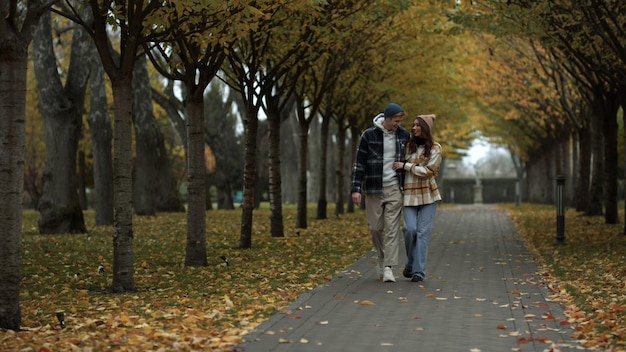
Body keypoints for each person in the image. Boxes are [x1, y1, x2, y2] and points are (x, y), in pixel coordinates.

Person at [351, 103, 411, 282]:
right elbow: (359, 163)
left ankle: (388, 268)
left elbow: (409, 159)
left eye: (400, 121)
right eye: (396, 121)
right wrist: (356, 189)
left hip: (395, 188)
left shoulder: (404, 135)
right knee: (375, 228)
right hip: (374, 188)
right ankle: (382, 255)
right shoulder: (368, 135)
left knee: (392, 229)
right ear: (387, 119)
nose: (398, 124)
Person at [392, 114, 442, 282]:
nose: (414, 128)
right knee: (409, 229)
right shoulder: (408, 146)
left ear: (425, 128)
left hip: (429, 195)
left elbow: (429, 171)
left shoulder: (435, 148)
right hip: (409, 194)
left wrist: (406, 166)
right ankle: (411, 263)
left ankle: (417, 272)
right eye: (413, 125)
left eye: (418, 125)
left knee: (422, 233)